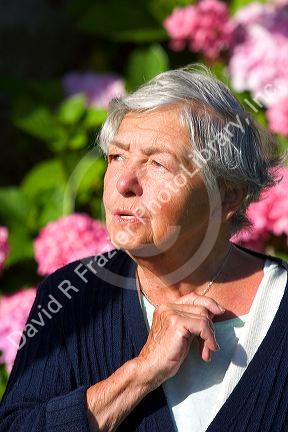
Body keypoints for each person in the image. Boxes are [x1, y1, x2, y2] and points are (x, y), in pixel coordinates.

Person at [0, 64, 287, 432]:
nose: (123, 183)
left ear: (226, 195)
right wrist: (140, 373)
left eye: (156, 163)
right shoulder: (70, 299)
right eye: (117, 157)